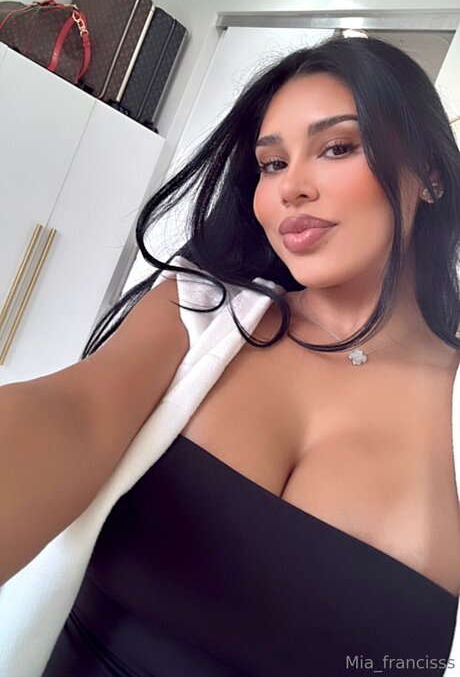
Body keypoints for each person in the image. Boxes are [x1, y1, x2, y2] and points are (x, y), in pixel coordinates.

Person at [0, 36, 459, 677]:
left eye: (337, 148)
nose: (291, 187)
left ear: (431, 175)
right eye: (272, 164)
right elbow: (71, 412)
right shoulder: (199, 306)